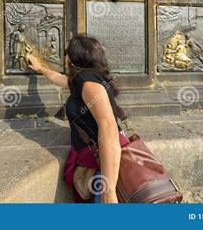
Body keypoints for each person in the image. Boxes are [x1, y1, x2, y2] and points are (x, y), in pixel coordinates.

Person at [27, 34, 128, 203]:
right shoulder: (86, 79)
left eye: (66, 51)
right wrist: (41, 68)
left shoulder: (89, 85)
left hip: (101, 167)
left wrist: (108, 191)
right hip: (97, 162)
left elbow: (109, 131)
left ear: (73, 58)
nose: (64, 55)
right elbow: (59, 79)